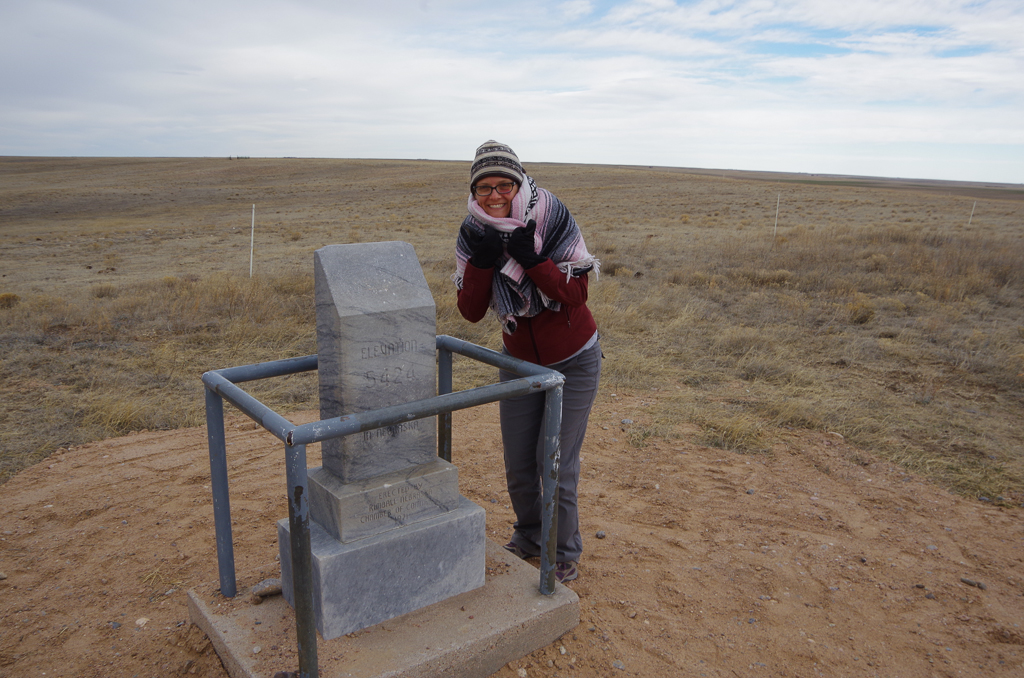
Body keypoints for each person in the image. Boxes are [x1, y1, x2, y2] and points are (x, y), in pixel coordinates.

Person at [453, 140, 601, 583]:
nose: (494, 195)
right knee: (518, 461)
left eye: (503, 185)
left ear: (518, 184)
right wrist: (481, 263)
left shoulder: (551, 217)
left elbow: (575, 293)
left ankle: (563, 550)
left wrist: (533, 261)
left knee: (553, 459)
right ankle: (531, 534)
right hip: (519, 362)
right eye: (484, 187)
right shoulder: (471, 232)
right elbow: (471, 310)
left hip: (573, 361)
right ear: (474, 191)